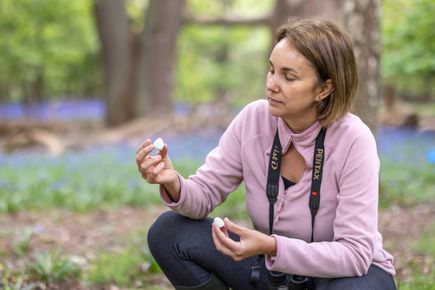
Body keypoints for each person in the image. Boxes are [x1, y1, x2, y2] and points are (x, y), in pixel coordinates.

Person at [136, 18, 396, 290]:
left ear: (324, 89)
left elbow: (355, 255)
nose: (272, 84)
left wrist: (273, 246)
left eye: (288, 76)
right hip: (273, 271)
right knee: (169, 233)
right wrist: (172, 182)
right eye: (271, 71)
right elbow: (204, 194)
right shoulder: (254, 119)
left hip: (339, 276)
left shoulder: (353, 139)